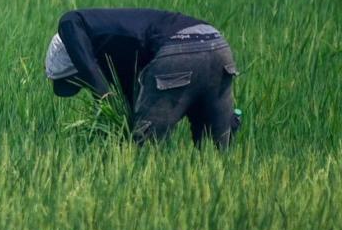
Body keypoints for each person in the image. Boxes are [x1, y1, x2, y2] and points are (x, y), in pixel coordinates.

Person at [44, 8, 241, 148]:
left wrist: (105, 98)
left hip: (176, 51)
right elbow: (132, 102)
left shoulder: (72, 25)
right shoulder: (122, 50)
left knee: (143, 152)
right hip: (217, 44)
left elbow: (69, 21)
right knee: (217, 154)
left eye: (81, 79)